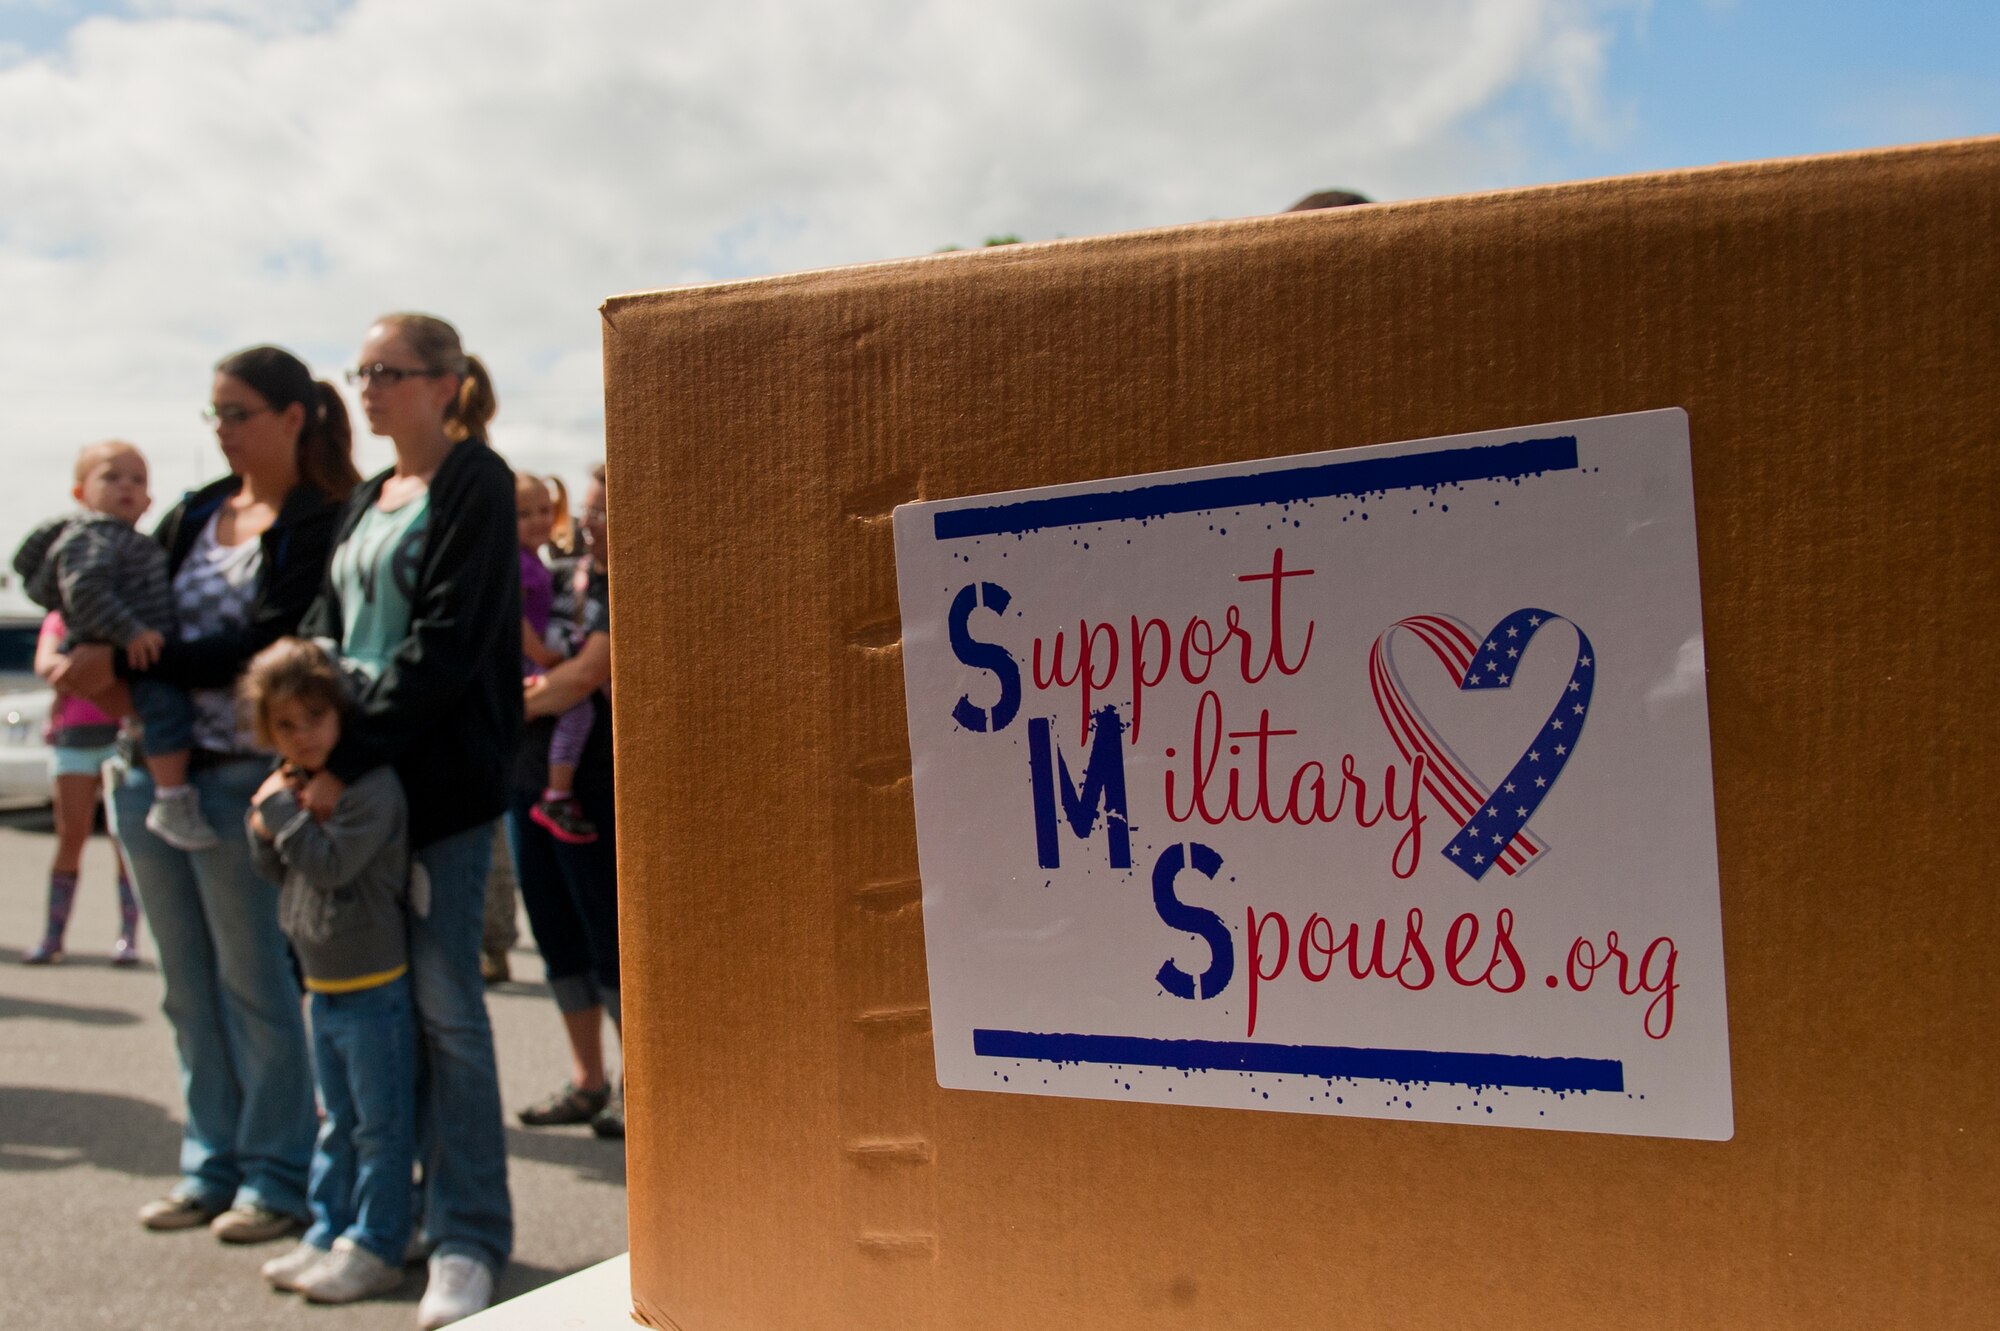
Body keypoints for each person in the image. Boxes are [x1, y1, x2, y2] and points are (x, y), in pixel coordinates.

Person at [42, 344, 354, 1245]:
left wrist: (130, 661)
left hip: (237, 781)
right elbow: (94, 590)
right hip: (145, 772)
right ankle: (209, 1165)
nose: (222, 430)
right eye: (213, 414)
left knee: (255, 987)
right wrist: (79, 648)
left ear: (292, 416)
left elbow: (269, 648)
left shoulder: (318, 518)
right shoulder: (191, 511)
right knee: (185, 989)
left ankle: (276, 1177)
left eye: (237, 412)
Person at [296, 311, 520, 1330]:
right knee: (377, 1018)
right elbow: (321, 628)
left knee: (446, 1012)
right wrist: (302, 740)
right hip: (354, 785)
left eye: (388, 371)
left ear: (444, 382)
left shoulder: (476, 481)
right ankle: (387, 1220)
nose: (370, 388)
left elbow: (447, 642)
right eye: (362, 372)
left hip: (435, 789)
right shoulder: (366, 496)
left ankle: (467, 1235)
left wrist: (343, 754)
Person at [242, 639, 418, 1305]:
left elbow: (331, 865)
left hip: (374, 985)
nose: (303, 735)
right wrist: (268, 824)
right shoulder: (292, 786)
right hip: (322, 986)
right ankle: (329, 1229)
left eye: (315, 717)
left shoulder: (370, 787)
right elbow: (275, 866)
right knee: (336, 1120)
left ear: (341, 713)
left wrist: (279, 815)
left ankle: (379, 1242)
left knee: (379, 1124)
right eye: (286, 724)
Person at [14, 442, 215, 850]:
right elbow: (85, 593)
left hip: (128, 651)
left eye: (137, 480)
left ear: (149, 501)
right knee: (164, 707)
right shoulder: (94, 536)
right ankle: (171, 798)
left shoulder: (127, 539)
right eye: (111, 477)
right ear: (80, 492)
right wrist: (130, 633)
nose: (126, 486)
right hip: (110, 646)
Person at [510, 464, 621, 1138]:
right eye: (586, 510)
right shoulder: (555, 576)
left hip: (595, 789)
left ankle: (639, 1089)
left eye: (603, 512)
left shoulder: (625, 585)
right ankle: (588, 1080)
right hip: (530, 782)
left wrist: (509, 704)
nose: (589, 524)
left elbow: (585, 674)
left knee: (608, 938)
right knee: (555, 937)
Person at [21, 609, 139, 965]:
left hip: (119, 735)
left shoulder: (121, 609)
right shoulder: (59, 618)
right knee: (71, 835)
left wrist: (81, 667)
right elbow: (46, 665)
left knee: (123, 838)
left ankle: (128, 938)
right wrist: (99, 666)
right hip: (72, 738)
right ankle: (53, 937)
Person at [515, 472, 597, 844]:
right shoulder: (520, 564)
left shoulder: (536, 561)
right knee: (579, 710)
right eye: (523, 514)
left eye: (543, 510)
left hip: (531, 659)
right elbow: (514, 620)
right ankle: (558, 795)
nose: (537, 521)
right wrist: (545, 658)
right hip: (528, 661)